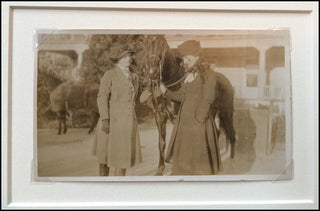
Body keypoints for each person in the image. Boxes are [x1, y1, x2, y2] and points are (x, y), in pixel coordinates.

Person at [160, 40, 222, 175]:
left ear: (198, 58)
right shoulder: (188, 76)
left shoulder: (209, 75)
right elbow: (182, 96)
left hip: (199, 123)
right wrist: (165, 92)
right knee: (183, 161)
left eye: (188, 59)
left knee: (197, 163)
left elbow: (208, 98)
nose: (185, 62)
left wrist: (199, 120)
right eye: (184, 58)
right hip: (184, 124)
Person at [92, 43, 142, 176]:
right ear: (118, 59)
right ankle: (103, 190)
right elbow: (102, 97)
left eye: (129, 56)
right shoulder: (110, 75)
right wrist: (105, 119)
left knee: (122, 161)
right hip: (111, 122)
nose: (128, 59)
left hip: (127, 124)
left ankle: (118, 190)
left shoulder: (135, 77)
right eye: (124, 56)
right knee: (105, 159)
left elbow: (137, 99)